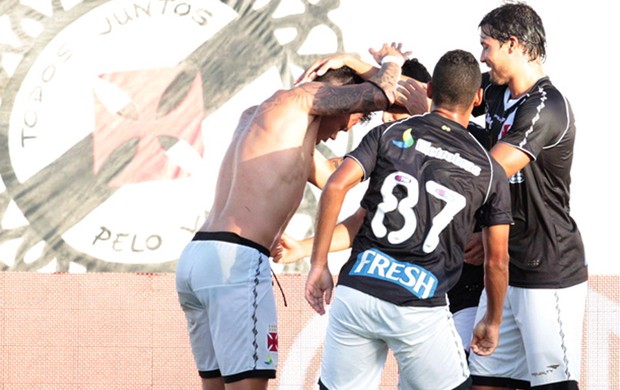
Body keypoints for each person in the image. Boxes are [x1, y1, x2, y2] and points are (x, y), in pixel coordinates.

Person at [175, 43, 409, 390]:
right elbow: (383, 92)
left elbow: (334, 176)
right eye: (351, 117)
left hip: (199, 258)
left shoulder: (266, 115)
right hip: (235, 262)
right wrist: (392, 61)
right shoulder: (300, 100)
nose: (345, 130)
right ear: (333, 95)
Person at [306, 49, 513, 390]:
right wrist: (492, 320)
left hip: (358, 291)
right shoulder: (489, 168)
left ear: (429, 90)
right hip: (418, 306)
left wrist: (318, 263)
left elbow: (336, 184)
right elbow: (497, 260)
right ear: (477, 98)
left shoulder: (389, 135)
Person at [274, 58, 487, 357]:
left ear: (426, 93)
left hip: (456, 298)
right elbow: (344, 197)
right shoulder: (390, 143)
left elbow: (515, 204)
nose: (386, 118)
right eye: (382, 112)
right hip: (411, 301)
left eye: (394, 108)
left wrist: (489, 240)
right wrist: (305, 249)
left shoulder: (477, 147)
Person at [467, 3, 588, 390]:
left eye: (486, 46)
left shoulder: (547, 107)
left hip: (546, 271)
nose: (482, 57)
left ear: (513, 45)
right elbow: (439, 97)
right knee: (484, 381)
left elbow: (491, 171)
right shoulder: (494, 91)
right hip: (502, 271)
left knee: (553, 387)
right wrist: (368, 68)